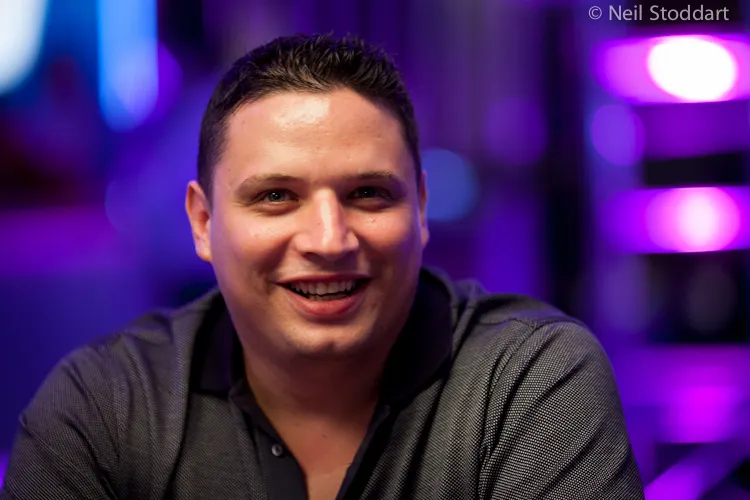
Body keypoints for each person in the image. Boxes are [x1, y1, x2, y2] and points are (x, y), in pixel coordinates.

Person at [0, 33, 645, 500]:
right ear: (202, 222)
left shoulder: (526, 382)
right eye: (276, 197)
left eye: (368, 193)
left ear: (420, 209)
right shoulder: (107, 407)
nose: (329, 239)